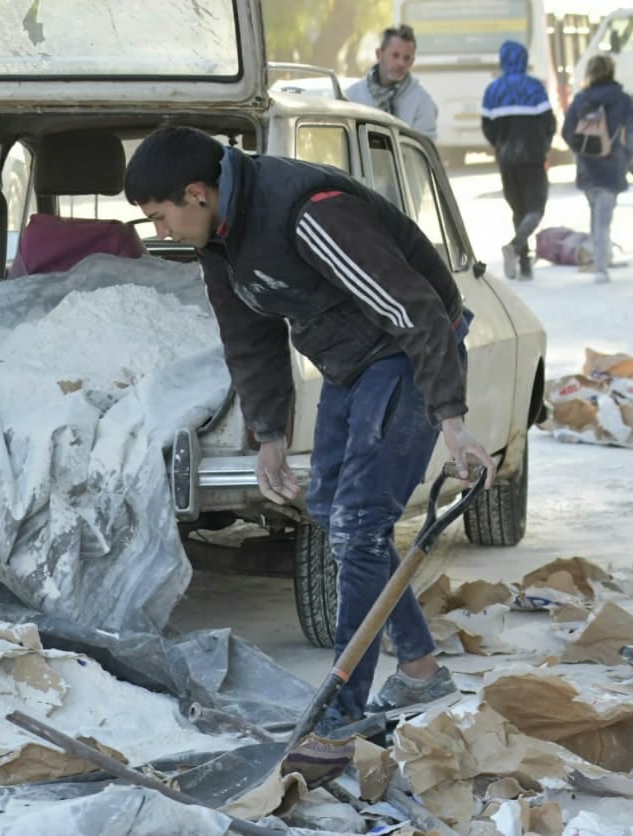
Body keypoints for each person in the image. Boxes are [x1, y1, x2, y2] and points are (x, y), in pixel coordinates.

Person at [124, 127, 496, 731]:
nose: (159, 232)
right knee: (333, 511)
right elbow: (249, 340)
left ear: (196, 193)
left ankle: (341, 711)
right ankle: (422, 673)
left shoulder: (307, 213)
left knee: (360, 521)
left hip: (410, 350)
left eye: (159, 217)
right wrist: (268, 435)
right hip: (351, 361)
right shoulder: (219, 239)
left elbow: (415, 309)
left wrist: (451, 418)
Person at [562, 53, 633, 284]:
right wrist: (625, 156)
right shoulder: (623, 99)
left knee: (595, 211)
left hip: (587, 165)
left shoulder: (581, 99)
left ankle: (602, 256)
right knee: (604, 217)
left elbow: (567, 132)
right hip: (612, 164)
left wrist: (581, 151)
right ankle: (601, 267)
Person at [481, 40, 556, 281]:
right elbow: (549, 123)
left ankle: (524, 265)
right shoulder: (534, 88)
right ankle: (515, 247)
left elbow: (487, 127)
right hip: (532, 159)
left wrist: (499, 146)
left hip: (507, 161)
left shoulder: (493, 91)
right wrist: (544, 147)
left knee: (518, 210)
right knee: (535, 209)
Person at [346, 25, 438, 140]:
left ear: (412, 62)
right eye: (395, 55)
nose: (401, 63)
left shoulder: (422, 102)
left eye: (406, 58)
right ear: (379, 54)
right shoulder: (353, 96)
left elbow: (425, 149)